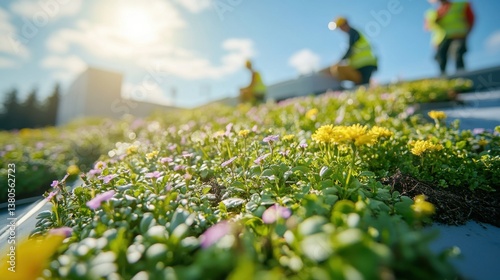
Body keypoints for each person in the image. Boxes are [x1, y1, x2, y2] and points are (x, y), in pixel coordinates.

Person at [328, 17, 378, 85]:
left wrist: (339, 61)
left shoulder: (353, 32)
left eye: (340, 27)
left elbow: (350, 50)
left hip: (365, 65)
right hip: (361, 65)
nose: (340, 29)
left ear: (345, 24)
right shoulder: (353, 33)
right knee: (361, 85)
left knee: (363, 85)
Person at [431, 0, 475, 76]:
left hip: (457, 36)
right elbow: (430, 27)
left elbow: (470, 19)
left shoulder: (460, 5)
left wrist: (466, 33)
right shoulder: (434, 13)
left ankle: (461, 76)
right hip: (441, 40)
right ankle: (442, 77)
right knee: (440, 57)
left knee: (457, 53)